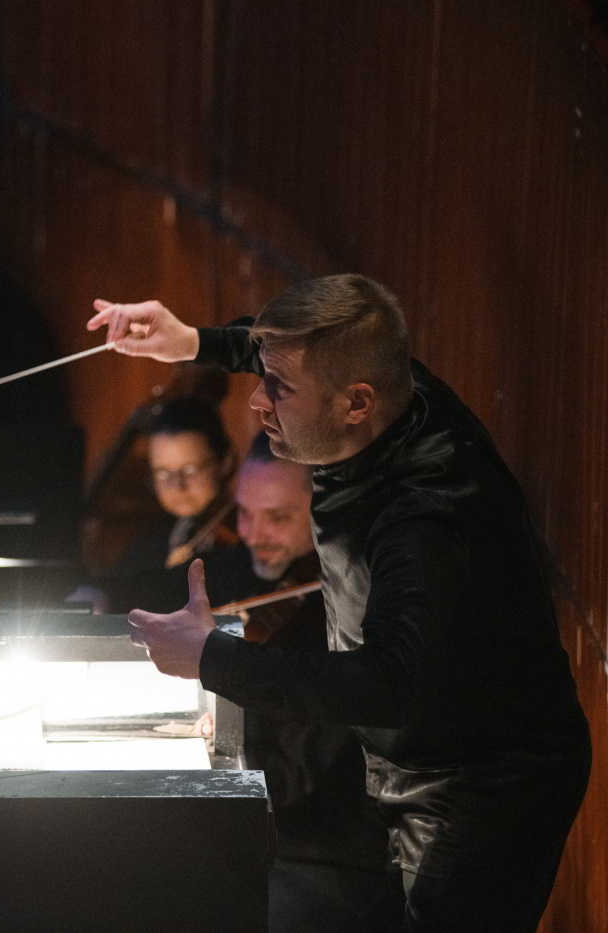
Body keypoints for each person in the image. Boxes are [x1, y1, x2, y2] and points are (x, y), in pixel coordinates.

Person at [91, 274, 591, 931]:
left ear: (356, 403)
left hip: (481, 786)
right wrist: (193, 342)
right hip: (412, 761)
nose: (256, 402)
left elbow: (385, 684)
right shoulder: (383, 383)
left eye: (280, 389)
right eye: (263, 377)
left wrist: (213, 658)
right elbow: (296, 350)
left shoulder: (425, 516)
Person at [230, 432, 388, 932]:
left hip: (329, 856)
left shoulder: (350, 618)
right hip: (276, 837)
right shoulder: (277, 591)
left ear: (327, 509)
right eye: (244, 512)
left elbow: (288, 782)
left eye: (278, 517)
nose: (254, 534)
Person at [85, 395, 254, 613]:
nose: (177, 486)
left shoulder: (245, 536)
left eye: (190, 469)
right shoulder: (158, 541)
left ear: (225, 461)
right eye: (163, 473)